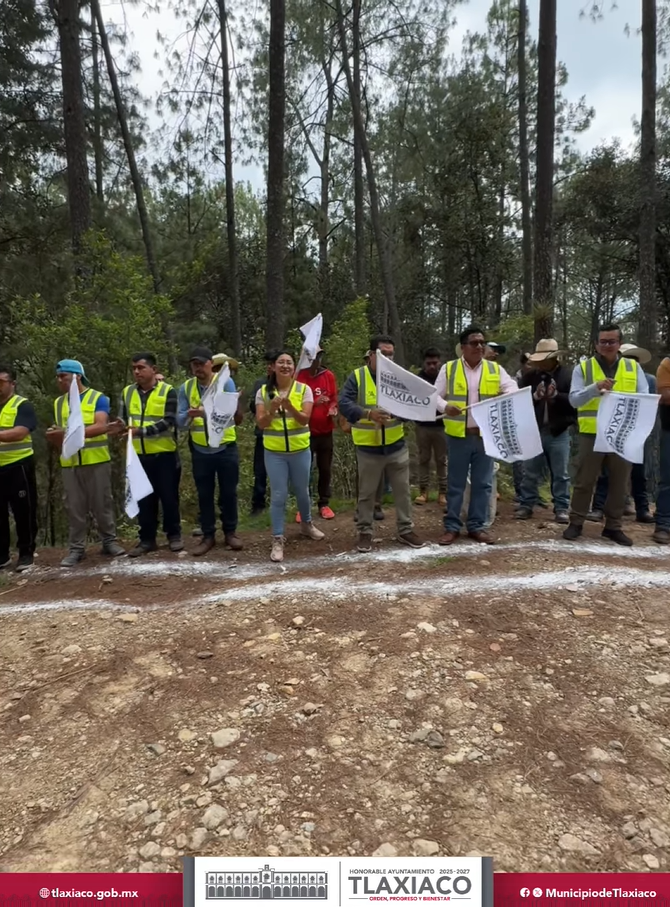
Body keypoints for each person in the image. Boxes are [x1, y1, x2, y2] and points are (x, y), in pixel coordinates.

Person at [563, 324, 650, 547]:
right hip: (591, 433)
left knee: (620, 483)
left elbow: (644, 398)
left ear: (619, 344)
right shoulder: (583, 368)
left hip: (622, 435)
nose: (607, 345)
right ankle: (576, 522)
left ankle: (613, 526)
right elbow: (573, 400)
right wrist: (594, 388)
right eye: (603, 341)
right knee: (584, 480)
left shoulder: (632, 367)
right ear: (596, 344)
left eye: (612, 341)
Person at [339, 334, 424, 553]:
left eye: (390, 354)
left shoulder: (400, 377)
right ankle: (365, 532)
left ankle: (405, 530)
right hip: (368, 448)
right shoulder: (357, 377)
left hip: (396, 445)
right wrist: (368, 413)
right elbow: (344, 404)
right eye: (382, 354)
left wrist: (400, 412)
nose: (387, 358)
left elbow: (411, 407)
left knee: (403, 492)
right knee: (367, 494)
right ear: (371, 355)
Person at [435, 326, 518, 546]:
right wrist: (446, 406)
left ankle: (476, 526)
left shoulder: (494, 369)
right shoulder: (449, 369)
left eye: (482, 342)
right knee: (456, 484)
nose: (480, 346)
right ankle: (452, 526)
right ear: (462, 347)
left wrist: (504, 395)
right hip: (458, 436)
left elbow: (512, 387)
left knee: (483, 483)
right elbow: (434, 396)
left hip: (485, 436)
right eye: (474, 343)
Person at [46, 359, 125, 567]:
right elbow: (61, 432)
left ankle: (109, 541)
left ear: (77, 376)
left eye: (63, 375)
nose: (59, 380)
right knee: (74, 507)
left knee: (102, 504)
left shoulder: (98, 398)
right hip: (70, 463)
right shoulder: (58, 402)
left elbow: (100, 426)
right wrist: (56, 435)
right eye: (58, 376)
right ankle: (76, 548)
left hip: (96, 460)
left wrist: (68, 434)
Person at [255, 350, 325, 562]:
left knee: (303, 491)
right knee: (279, 494)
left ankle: (307, 524)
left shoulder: (304, 389)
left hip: (300, 450)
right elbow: (261, 423)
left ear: (294, 368)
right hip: (274, 452)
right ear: (273, 367)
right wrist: (273, 410)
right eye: (281, 362)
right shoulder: (263, 392)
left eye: (289, 363)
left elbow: (304, 419)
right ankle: (277, 538)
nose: (285, 366)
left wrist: (290, 407)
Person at [114, 352, 183, 556]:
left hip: (164, 454)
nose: (137, 372)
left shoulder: (168, 391)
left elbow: (169, 421)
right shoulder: (127, 392)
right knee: (143, 498)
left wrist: (140, 431)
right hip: (137, 456)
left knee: (169, 497)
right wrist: (119, 426)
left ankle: (174, 536)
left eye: (141, 368)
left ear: (154, 369)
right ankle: (147, 539)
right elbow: (123, 418)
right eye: (134, 368)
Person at [178, 346, 243, 556]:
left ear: (210, 364)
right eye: (193, 364)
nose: (197, 368)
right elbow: (178, 421)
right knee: (204, 494)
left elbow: (230, 413)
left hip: (226, 448)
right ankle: (208, 536)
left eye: (201, 364)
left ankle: (230, 532)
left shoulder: (225, 381)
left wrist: (205, 413)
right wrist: (188, 415)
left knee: (228, 493)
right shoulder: (186, 388)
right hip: (200, 451)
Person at [587, 343, 656, 524]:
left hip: (638, 429)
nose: (630, 361)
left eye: (634, 359)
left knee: (639, 471)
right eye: (627, 357)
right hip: (614, 428)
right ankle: (598, 507)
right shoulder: (610, 377)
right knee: (607, 471)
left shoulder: (648, 379)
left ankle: (642, 508)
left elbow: (650, 403)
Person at [515, 339, 575, 524]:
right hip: (534, 430)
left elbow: (575, 403)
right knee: (530, 471)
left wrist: (557, 396)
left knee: (560, 473)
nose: (540, 363)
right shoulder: (529, 377)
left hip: (559, 431)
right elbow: (520, 404)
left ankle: (562, 507)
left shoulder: (568, 376)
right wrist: (535, 397)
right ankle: (526, 504)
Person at [0, 365, 38, 572]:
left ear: (12, 384)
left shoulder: (22, 405)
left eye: (1, 382)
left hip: (18, 465)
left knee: (24, 512)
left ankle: (26, 553)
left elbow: (20, 432)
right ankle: (2, 555)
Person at [297, 347, 338, 519]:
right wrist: (314, 402)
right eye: (314, 357)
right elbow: (295, 405)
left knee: (325, 469)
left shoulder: (328, 375)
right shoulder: (299, 377)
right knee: (304, 470)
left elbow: (334, 398)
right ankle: (302, 507)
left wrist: (333, 408)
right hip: (306, 431)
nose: (317, 360)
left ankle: (324, 504)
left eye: (320, 356)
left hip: (325, 431)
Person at [414, 347, 447, 507]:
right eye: (429, 363)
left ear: (439, 362)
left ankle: (443, 492)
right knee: (423, 459)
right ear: (424, 363)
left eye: (435, 363)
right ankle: (423, 491)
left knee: (442, 460)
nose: (432, 366)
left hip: (442, 425)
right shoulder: (417, 379)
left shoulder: (444, 378)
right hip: (422, 425)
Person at [249, 353, 275, 516]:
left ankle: (280, 504)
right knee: (260, 472)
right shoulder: (260, 384)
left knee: (279, 473)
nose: (269, 367)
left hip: (281, 435)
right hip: (262, 433)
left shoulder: (289, 385)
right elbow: (252, 406)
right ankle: (258, 505)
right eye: (268, 364)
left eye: (272, 363)